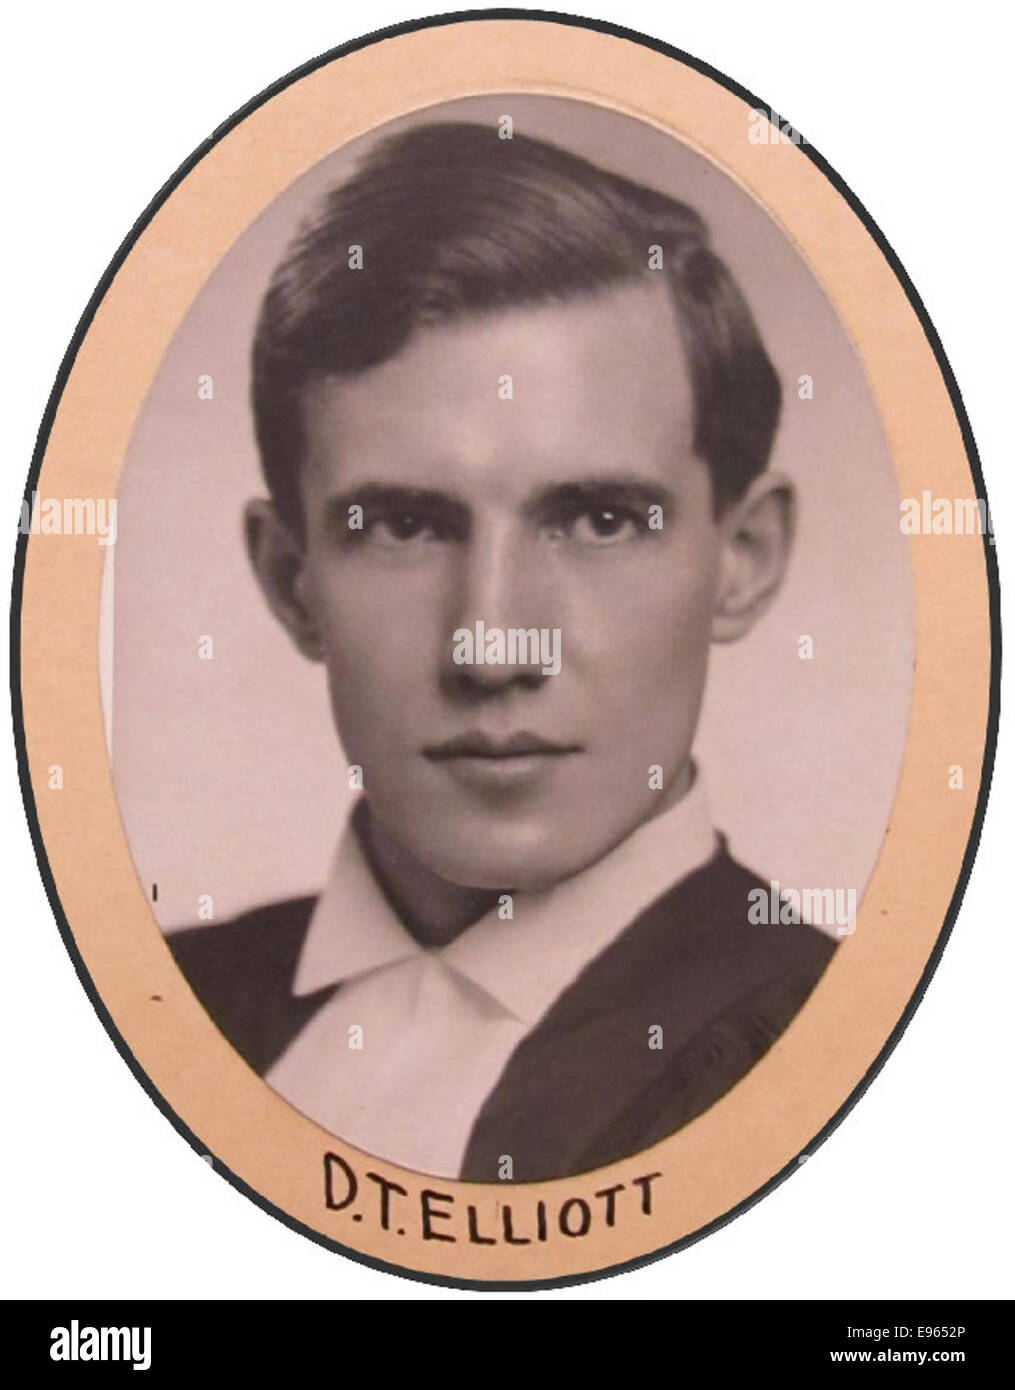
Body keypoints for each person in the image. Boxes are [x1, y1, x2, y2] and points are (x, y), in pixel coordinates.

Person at [168, 121, 836, 1181]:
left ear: (742, 560)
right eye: (404, 526)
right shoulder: (151, 1005)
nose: (489, 646)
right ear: (291, 581)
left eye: (600, 520)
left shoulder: (839, 1057)